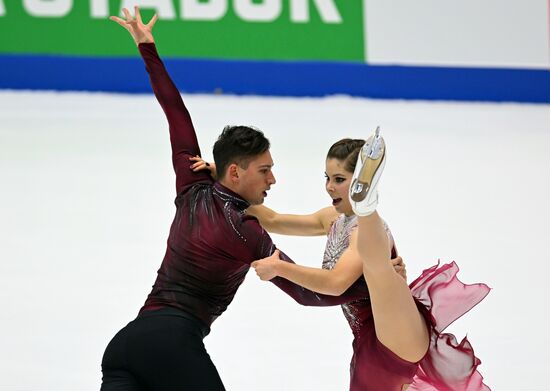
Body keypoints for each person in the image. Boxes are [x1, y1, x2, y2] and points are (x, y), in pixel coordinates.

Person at [101, 8, 402, 390]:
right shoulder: (245, 232)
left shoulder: (191, 185)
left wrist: (148, 49)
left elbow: (175, 113)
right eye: (264, 170)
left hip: (126, 347)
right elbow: (310, 294)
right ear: (235, 172)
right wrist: (379, 283)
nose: (273, 179)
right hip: (172, 346)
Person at [244, 130, 491, 390]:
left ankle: (367, 208)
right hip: (373, 339)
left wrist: (280, 268)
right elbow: (271, 219)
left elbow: (336, 283)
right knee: (376, 267)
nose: (329, 186)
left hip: (394, 327)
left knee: (376, 266)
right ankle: (366, 209)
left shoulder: (360, 232)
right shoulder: (332, 219)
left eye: (339, 179)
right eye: (327, 178)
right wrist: (222, 180)